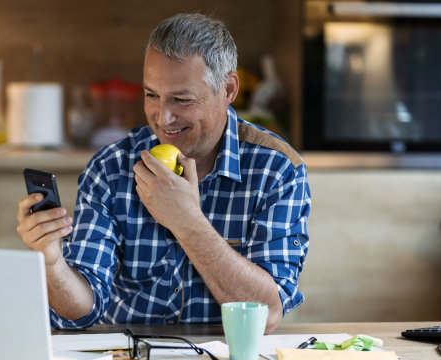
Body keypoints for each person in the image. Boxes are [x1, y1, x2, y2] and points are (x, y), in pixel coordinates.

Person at [17, 13, 311, 333]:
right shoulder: (111, 169)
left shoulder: (277, 171)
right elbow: (80, 312)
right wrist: (52, 263)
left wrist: (188, 223)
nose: (163, 118)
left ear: (228, 89)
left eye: (181, 100)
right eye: (151, 95)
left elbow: (266, 315)